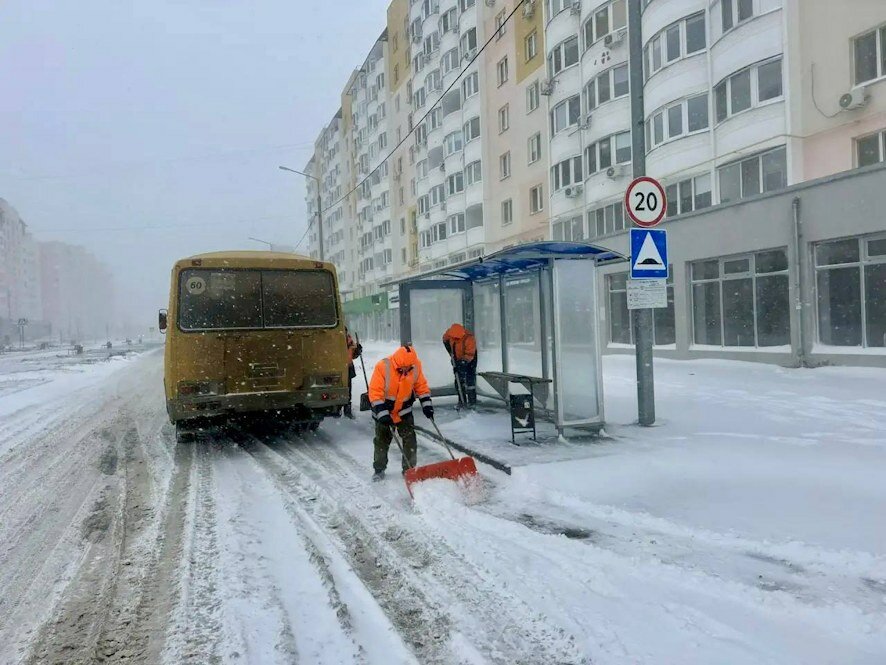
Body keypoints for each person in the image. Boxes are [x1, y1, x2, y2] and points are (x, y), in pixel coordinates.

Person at [367, 344, 433, 482]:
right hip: (384, 412)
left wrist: (427, 405)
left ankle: (409, 470)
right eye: (403, 369)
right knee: (381, 442)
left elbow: (421, 386)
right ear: (397, 363)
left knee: (410, 441)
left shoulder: (415, 366)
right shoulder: (383, 366)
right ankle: (379, 469)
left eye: (408, 368)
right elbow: (375, 392)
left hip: (404, 412)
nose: (406, 371)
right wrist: (383, 414)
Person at [442, 323, 477, 407]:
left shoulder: (469, 338)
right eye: (453, 338)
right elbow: (445, 339)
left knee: (470, 378)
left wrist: (461, 364)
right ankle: (461, 400)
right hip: (457, 358)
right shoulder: (450, 334)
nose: (455, 339)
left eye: (457, 338)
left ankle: (472, 401)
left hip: (470, 359)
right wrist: (450, 352)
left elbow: (469, 354)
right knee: (458, 379)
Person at [344, 327, 362, 419]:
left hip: (348, 367)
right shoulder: (333, 340)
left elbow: (353, 354)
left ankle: (347, 409)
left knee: (348, 389)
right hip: (337, 367)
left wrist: (358, 350)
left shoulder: (349, 340)